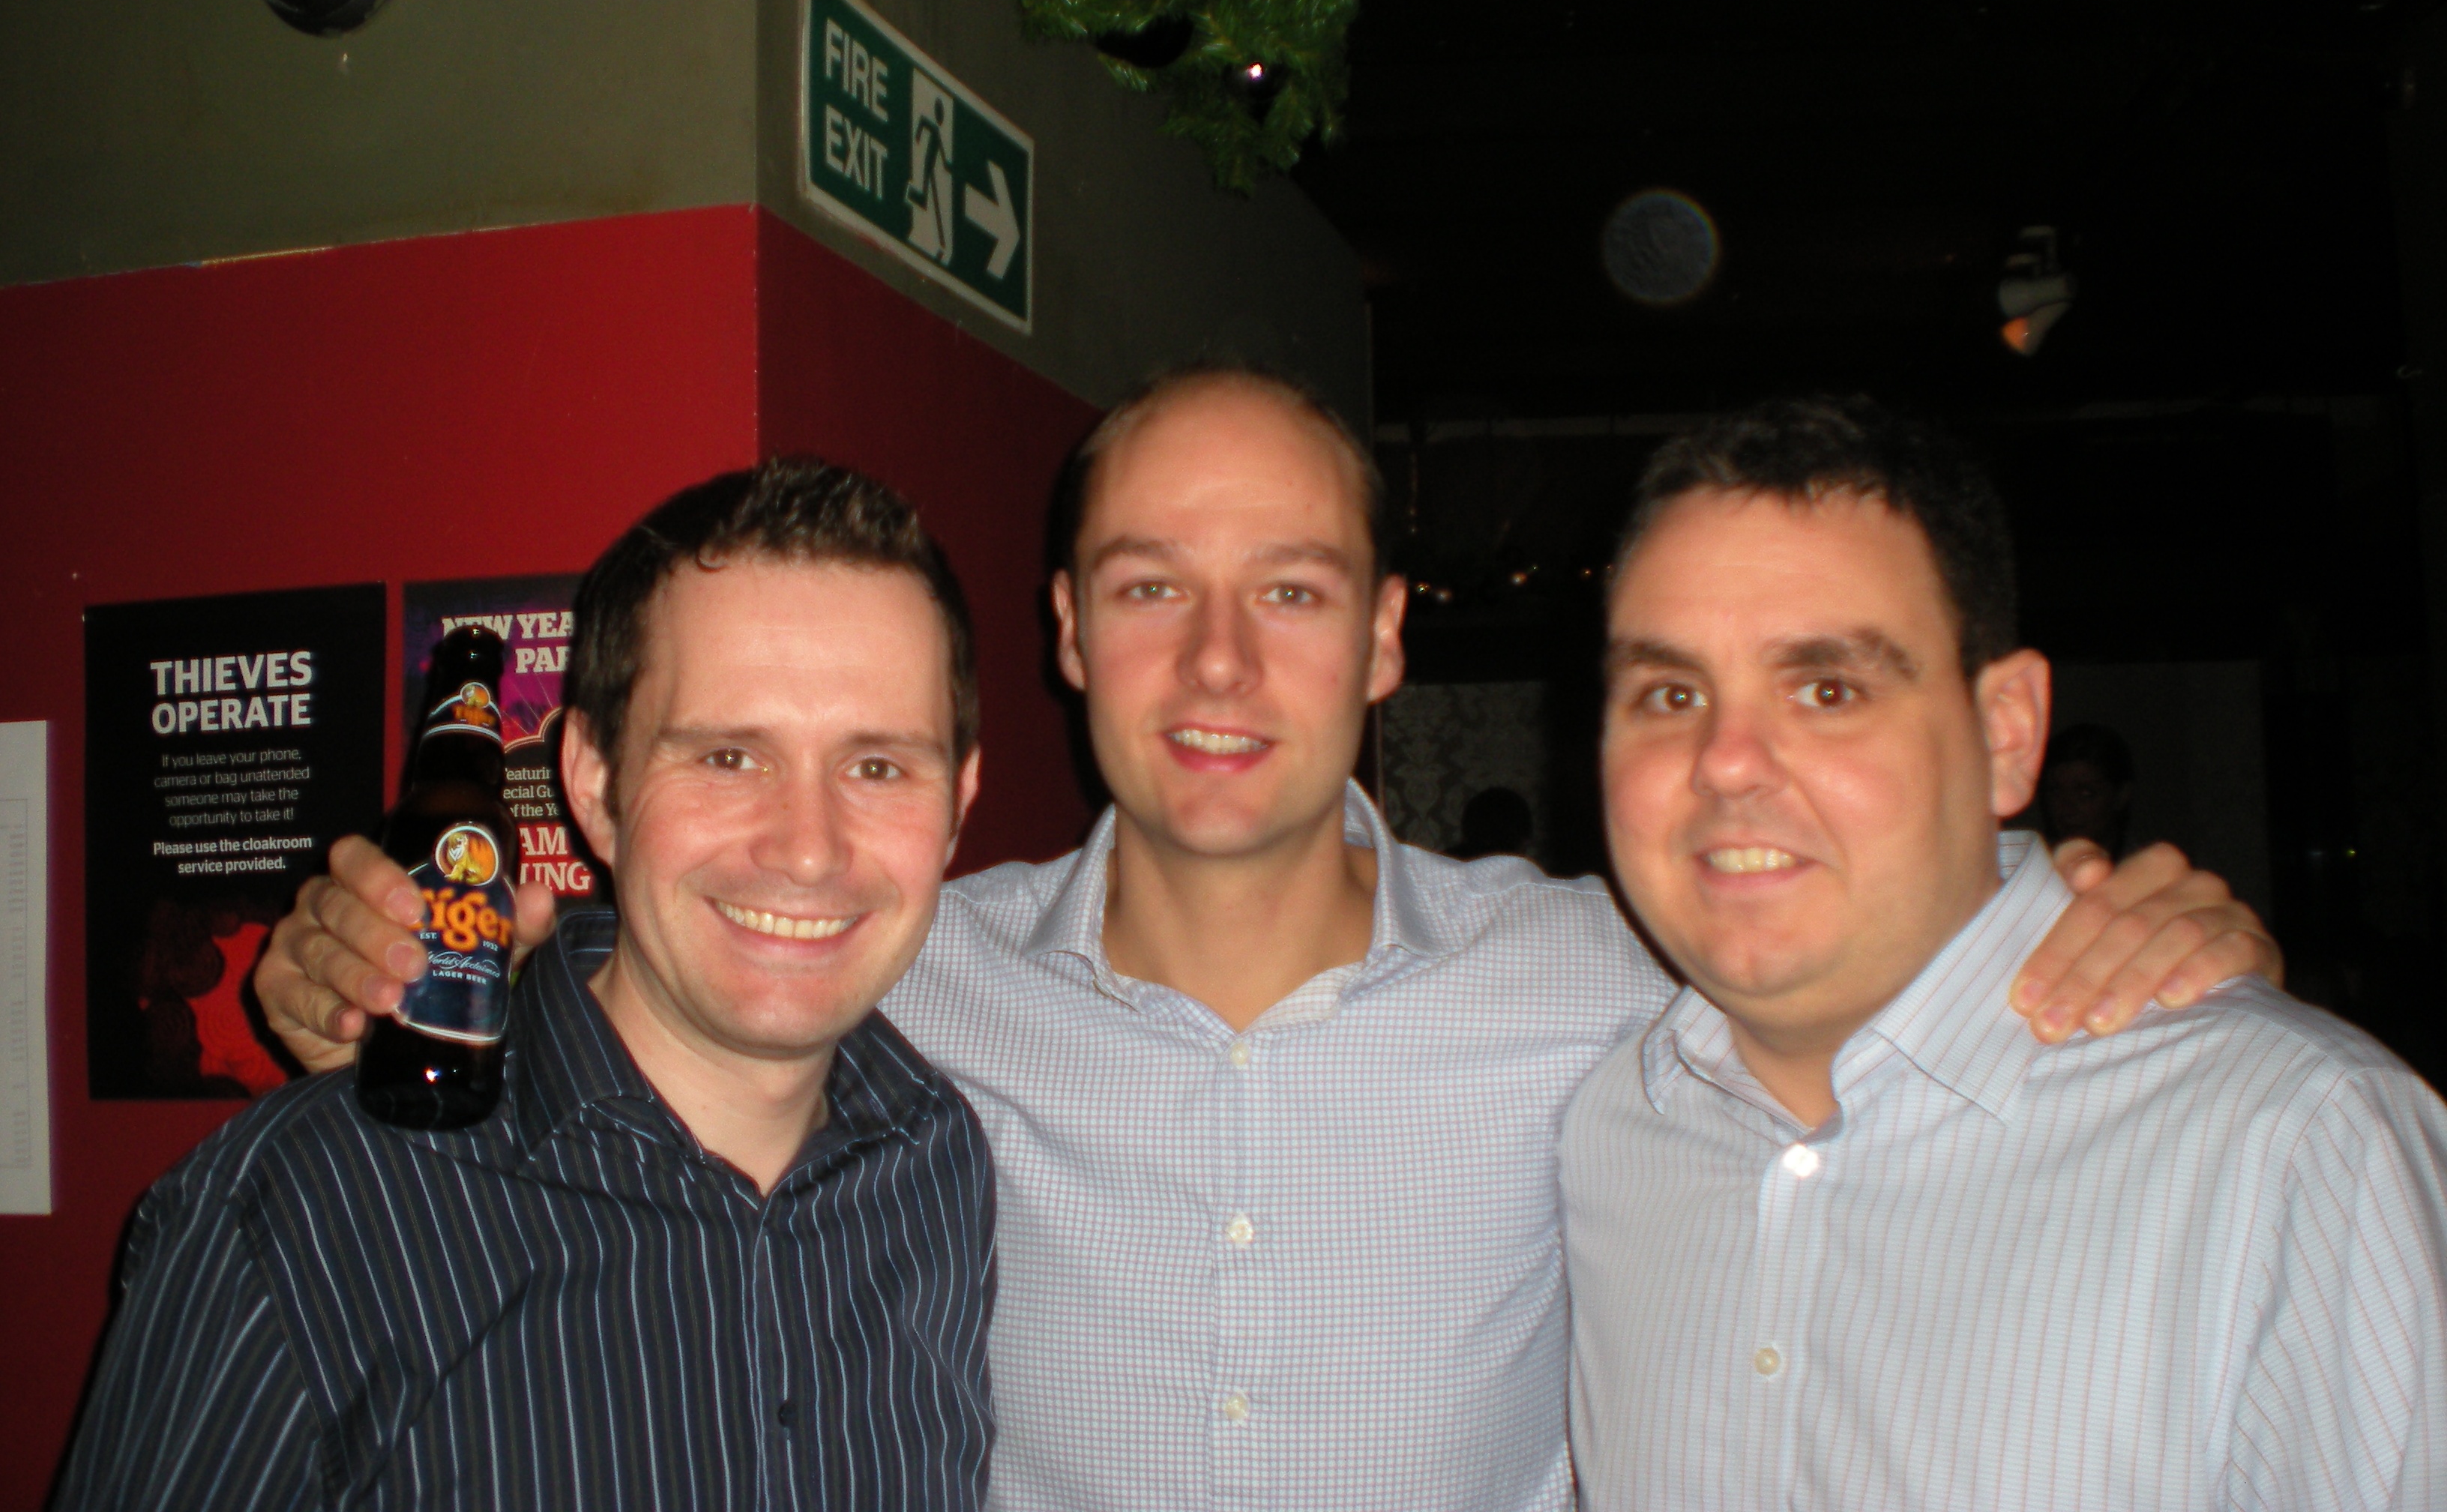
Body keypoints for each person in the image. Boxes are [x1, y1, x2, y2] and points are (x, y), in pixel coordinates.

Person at [256, 368, 2281, 1511]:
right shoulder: (897, 968)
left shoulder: (1617, 974)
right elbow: (644, 990)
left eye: (1294, 593)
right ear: (1067, 632)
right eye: (1152, 587)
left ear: (1388, 637)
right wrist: (371, 961)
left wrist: (2144, 931)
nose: (1219, 662)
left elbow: (1885, 963)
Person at [1562, 395, 2447, 1510]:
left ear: (2008, 731)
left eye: (1828, 690)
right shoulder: (1598, 1125)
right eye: (1671, 693)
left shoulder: (2298, 1146)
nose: (1726, 762)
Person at [58, 461, 997, 1511]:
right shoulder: (306, 1210)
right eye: (728, 758)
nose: (808, 849)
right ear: (593, 784)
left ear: (958, 801)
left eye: (878, 767)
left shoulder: (942, 1171)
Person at [2038, 718, 2137, 857]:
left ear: (2121, 796)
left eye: (2085, 794)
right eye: (2055, 791)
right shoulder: (2035, 863)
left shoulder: (2146, 866)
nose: (2067, 808)